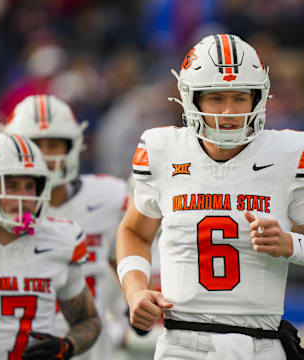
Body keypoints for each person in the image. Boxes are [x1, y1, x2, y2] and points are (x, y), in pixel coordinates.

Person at [116, 33, 304, 360]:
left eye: (240, 97)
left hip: (261, 343)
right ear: (193, 99)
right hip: (181, 344)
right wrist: (135, 291)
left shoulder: (288, 152)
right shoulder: (163, 149)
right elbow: (133, 231)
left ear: (257, 99)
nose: (229, 111)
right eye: (216, 98)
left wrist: (291, 244)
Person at [0, 132, 101, 360]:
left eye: (30, 186)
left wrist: (66, 346)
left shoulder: (60, 240)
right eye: (12, 186)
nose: (25, 198)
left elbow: (88, 320)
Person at [0, 95, 129, 359]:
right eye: (35, 145)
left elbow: (130, 269)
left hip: (93, 349)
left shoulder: (108, 198)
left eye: (53, 145)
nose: (45, 155)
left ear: (72, 146)